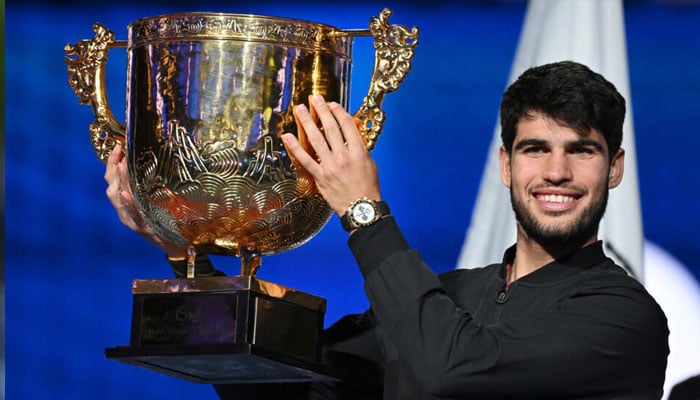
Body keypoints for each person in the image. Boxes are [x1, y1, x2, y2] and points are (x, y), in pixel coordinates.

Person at [105, 61, 669, 399]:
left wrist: (363, 210)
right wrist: (188, 252)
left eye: (582, 151)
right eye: (536, 148)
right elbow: (272, 383)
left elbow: (451, 368)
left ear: (614, 167)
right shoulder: (449, 297)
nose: (556, 172)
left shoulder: (623, 316)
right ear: (505, 164)